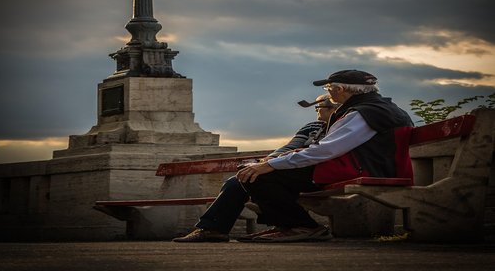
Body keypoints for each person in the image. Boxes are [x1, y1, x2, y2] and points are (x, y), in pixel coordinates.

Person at [234, 69, 414, 242]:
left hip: (364, 170)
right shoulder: (379, 108)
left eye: (328, 89)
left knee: (255, 176)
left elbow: (325, 150)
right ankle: (287, 225)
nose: (328, 93)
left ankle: (303, 226)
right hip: (373, 167)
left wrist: (270, 165)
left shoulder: (362, 113)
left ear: (340, 89)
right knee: (262, 173)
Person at [172, 95, 338, 242]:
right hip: (289, 170)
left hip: (314, 173)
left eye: (320, 107)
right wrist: (265, 161)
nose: (316, 111)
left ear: (335, 108)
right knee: (240, 178)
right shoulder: (312, 127)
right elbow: (288, 148)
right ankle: (212, 229)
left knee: (257, 178)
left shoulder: (340, 128)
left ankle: (299, 226)